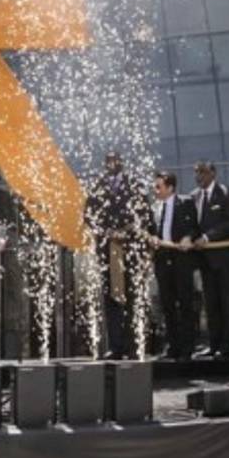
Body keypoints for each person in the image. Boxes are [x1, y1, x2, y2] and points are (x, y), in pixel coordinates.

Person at [83, 152, 151, 359]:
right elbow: (88, 215)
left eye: (115, 160)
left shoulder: (135, 184)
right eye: (108, 161)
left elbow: (144, 213)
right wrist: (105, 231)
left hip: (129, 248)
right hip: (107, 249)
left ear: (121, 162)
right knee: (111, 299)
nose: (112, 163)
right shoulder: (97, 186)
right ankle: (116, 345)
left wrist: (127, 231)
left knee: (132, 296)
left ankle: (133, 345)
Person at [147, 171, 199, 360]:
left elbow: (195, 227)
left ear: (170, 187)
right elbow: (152, 230)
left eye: (159, 186)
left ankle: (188, 347)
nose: (156, 190)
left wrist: (188, 237)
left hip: (181, 260)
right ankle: (172, 345)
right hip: (163, 260)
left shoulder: (186, 202)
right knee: (167, 305)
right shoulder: (156, 207)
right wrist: (152, 237)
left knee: (185, 304)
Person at [191, 160, 229, 358]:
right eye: (196, 172)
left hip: (223, 258)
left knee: (226, 302)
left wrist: (208, 237)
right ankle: (214, 343)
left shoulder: (226, 193)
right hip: (203, 260)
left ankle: (228, 345)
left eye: (202, 172)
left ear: (212, 173)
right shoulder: (194, 196)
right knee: (210, 304)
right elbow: (192, 224)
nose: (198, 176)